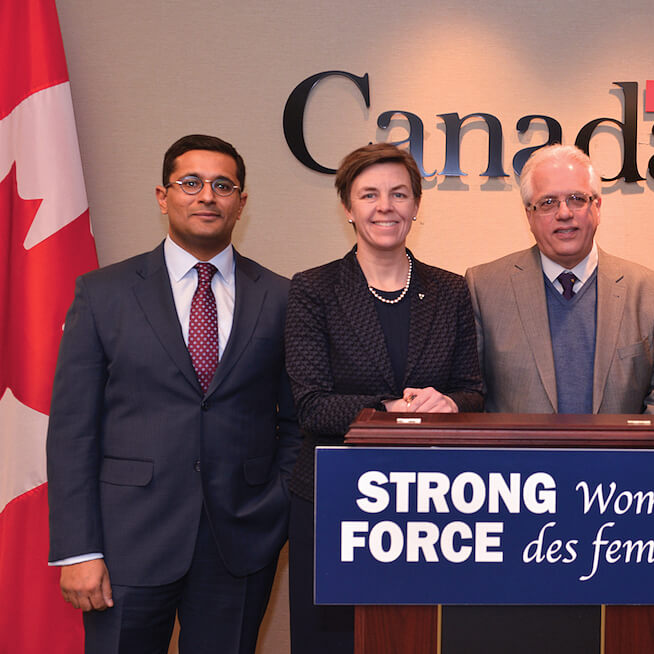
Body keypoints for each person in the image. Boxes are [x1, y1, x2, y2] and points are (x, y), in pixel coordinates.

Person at [46, 134, 300, 654]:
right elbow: (73, 432)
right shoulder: (103, 294)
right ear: (164, 197)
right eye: (191, 183)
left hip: (240, 542)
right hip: (126, 543)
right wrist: (78, 550)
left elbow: (296, 422)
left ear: (241, 202)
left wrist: (274, 510)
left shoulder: (281, 297)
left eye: (223, 186)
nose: (207, 196)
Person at [284, 142, 484, 653]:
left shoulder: (451, 290)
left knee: (423, 636)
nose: (385, 206)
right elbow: (310, 405)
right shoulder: (314, 289)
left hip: (433, 502)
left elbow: (474, 389)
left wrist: (453, 404)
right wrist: (387, 411)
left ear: (416, 205)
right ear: (347, 208)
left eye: (399, 193)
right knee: (333, 640)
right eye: (368, 194)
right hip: (336, 499)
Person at [465, 143, 654, 415]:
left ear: (598, 207)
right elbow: (471, 395)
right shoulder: (484, 289)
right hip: (517, 458)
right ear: (529, 216)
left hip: (620, 457)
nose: (564, 213)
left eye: (577, 199)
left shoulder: (651, 293)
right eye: (548, 203)